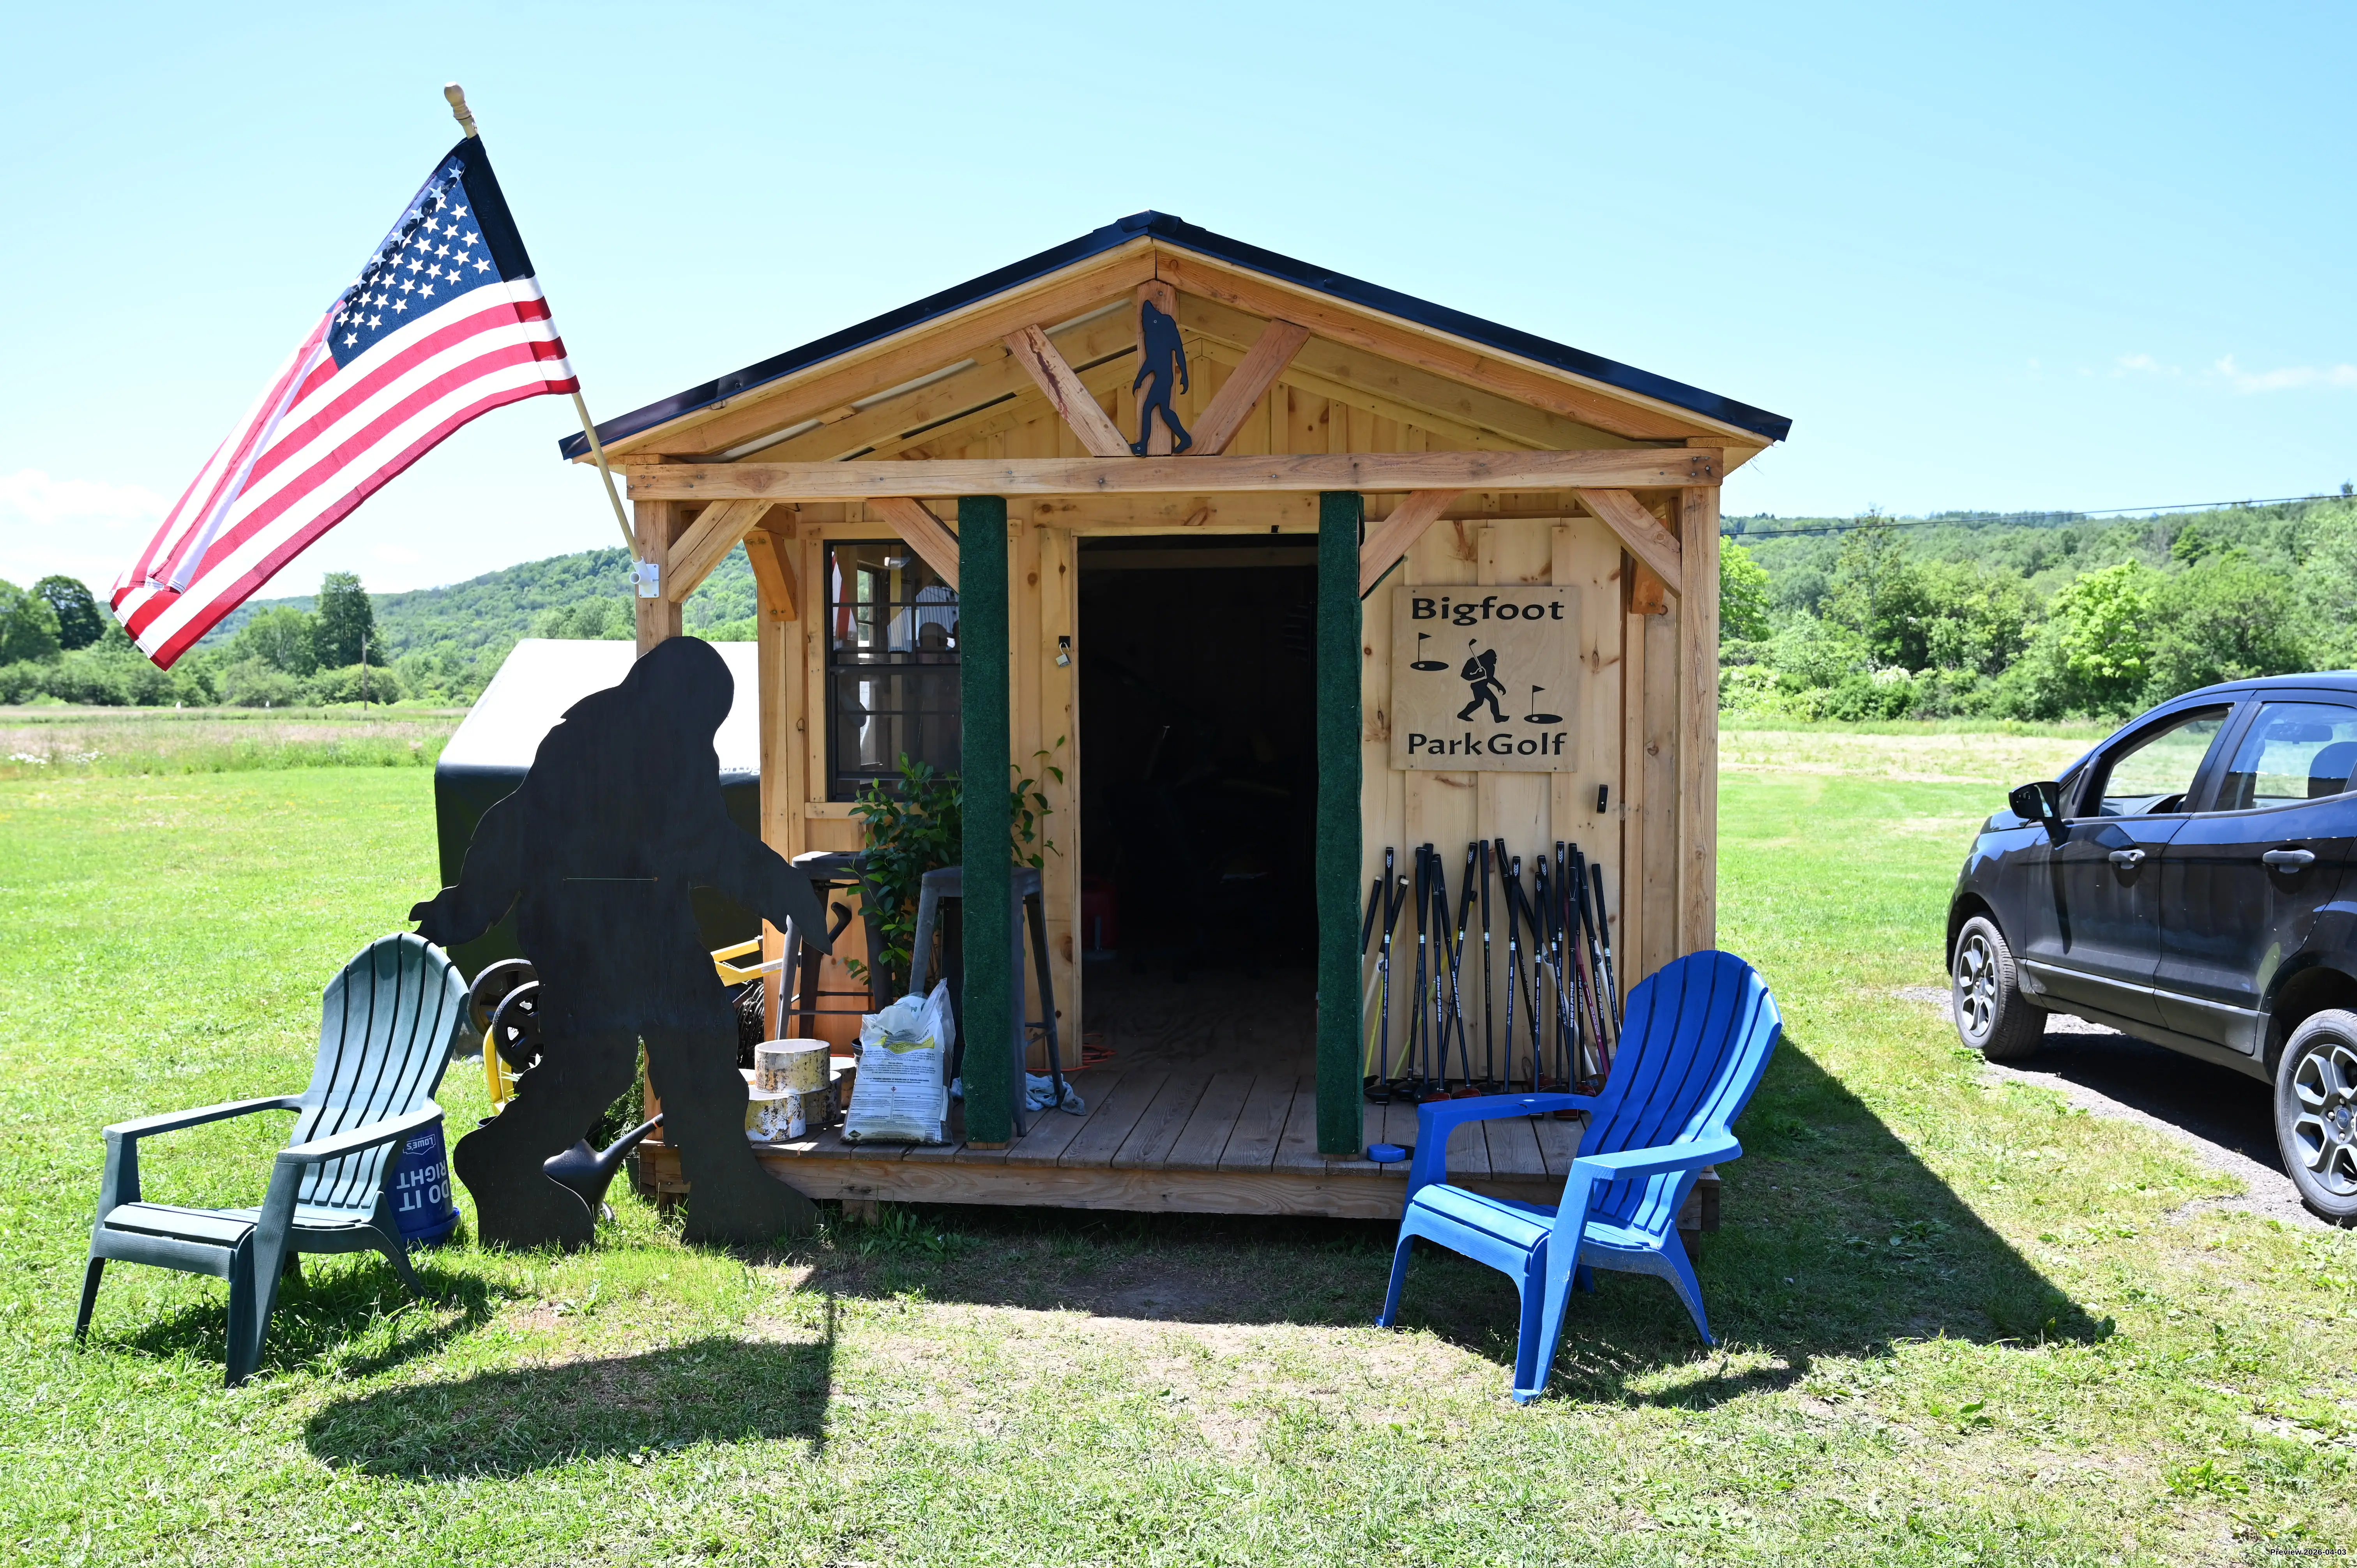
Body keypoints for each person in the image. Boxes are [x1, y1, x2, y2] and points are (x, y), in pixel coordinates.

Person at [411, 637, 831, 1249]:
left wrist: (787, 893)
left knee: (698, 1043)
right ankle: (503, 1161)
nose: (707, 731)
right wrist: (469, 906)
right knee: (598, 1063)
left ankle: (724, 1190)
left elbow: (704, 841)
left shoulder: (667, 745)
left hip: (649, 924)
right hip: (586, 932)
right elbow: (524, 825)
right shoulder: (597, 742)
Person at [1129, 300, 1193, 456]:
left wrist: (1184, 374)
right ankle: (1184, 438)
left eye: (1146, 319)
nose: (1144, 323)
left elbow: (1178, 350)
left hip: (1164, 379)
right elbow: (1151, 361)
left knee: (1149, 408)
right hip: (1163, 378)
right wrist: (1140, 379)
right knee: (1164, 411)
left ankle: (1143, 446)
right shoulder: (1151, 336)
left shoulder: (1165, 326)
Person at [1458, 643, 1507, 723]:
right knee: (1493, 700)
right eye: (1494, 658)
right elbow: (1464, 675)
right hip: (1477, 685)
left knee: (1479, 702)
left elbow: (1490, 679)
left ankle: (1463, 714)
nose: (1496, 659)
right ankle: (1497, 718)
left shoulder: (1491, 667)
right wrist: (1477, 675)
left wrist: (1500, 687)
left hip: (1482, 686)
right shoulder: (1473, 662)